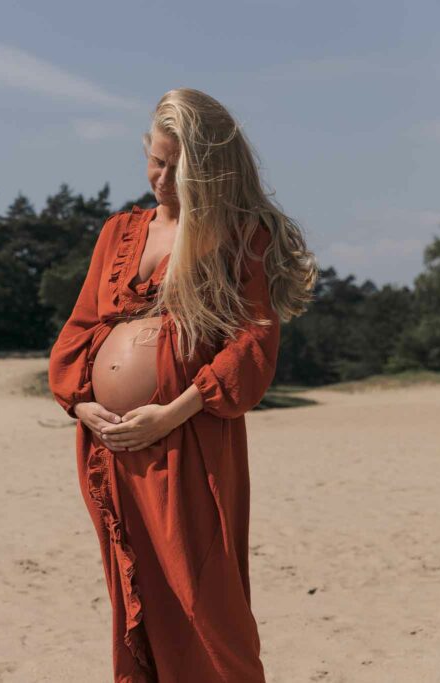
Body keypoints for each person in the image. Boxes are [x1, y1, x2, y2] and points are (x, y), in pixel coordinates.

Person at [48, 88, 318, 682]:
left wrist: (170, 412)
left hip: (189, 440)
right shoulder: (119, 232)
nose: (160, 177)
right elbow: (81, 327)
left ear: (209, 168)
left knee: (206, 600)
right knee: (136, 590)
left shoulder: (244, 236)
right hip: (110, 447)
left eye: (176, 165)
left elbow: (252, 346)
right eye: (154, 159)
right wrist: (84, 405)